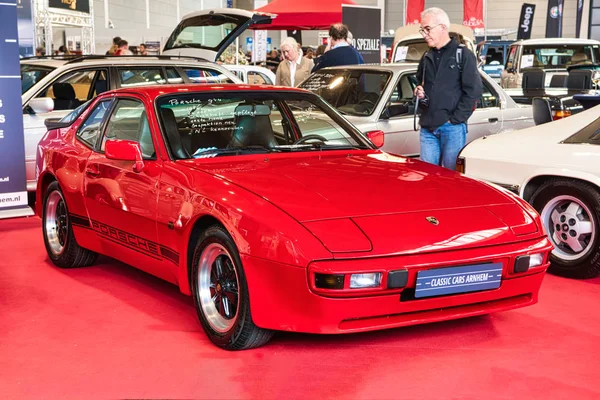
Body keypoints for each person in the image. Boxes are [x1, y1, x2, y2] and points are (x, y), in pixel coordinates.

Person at [413, 7, 482, 170]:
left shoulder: (463, 55)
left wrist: (455, 119)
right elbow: (419, 83)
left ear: (443, 27)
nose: (424, 34)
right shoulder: (426, 57)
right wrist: (419, 92)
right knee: (428, 177)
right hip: (427, 127)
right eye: (422, 30)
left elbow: (474, 91)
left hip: (452, 128)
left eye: (427, 29)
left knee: (451, 179)